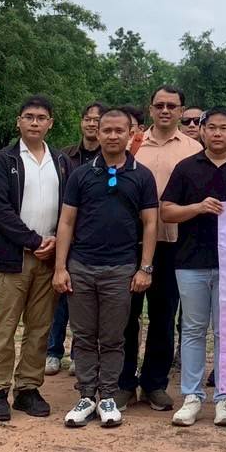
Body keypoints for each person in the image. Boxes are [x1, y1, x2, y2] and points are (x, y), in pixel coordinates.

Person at [53, 107, 159, 430]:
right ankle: (86, 395)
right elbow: (67, 221)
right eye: (106, 130)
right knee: (84, 335)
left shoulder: (142, 175)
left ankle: (109, 396)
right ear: (96, 133)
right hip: (82, 266)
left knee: (114, 337)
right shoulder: (81, 175)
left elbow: (151, 223)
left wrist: (146, 269)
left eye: (119, 131)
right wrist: (61, 267)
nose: (112, 136)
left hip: (121, 268)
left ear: (131, 134)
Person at [161, 106, 226, 429]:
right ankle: (191, 397)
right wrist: (197, 207)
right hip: (190, 261)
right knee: (192, 330)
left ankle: (224, 397)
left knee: (225, 332)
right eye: (212, 127)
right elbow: (166, 211)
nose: (217, 133)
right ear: (202, 131)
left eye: (224, 128)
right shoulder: (186, 168)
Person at [0, 95, 72, 423]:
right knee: (3, 327)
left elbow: (69, 210)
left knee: (39, 327)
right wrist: (33, 241)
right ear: (18, 120)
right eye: (29, 116)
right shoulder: (2, 161)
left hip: (49, 257)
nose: (35, 122)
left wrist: (57, 243)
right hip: (13, 257)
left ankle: (28, 388)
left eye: (42, 117)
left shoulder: (61, 161)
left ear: (51, 123)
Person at [124, 85, 202, 410]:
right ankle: (124, 383)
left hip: (173, 242)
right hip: (131, 242)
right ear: (151, 108)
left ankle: (154, 383)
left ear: (182, 110)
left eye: (172, 105)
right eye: (160, 105)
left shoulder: (193, 148)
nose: (166, 110)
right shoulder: (132, 143)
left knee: (163, 315)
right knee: (126, 316)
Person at [49, 102, 107, 377]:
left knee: (84, 303)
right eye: (87, 119)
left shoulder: (112, 158)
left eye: (97, 120)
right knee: (60, 295)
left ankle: (78, 354)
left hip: (94, 235)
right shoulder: (64, 156)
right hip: (64, 232)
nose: (92, 124)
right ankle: (52, 351)